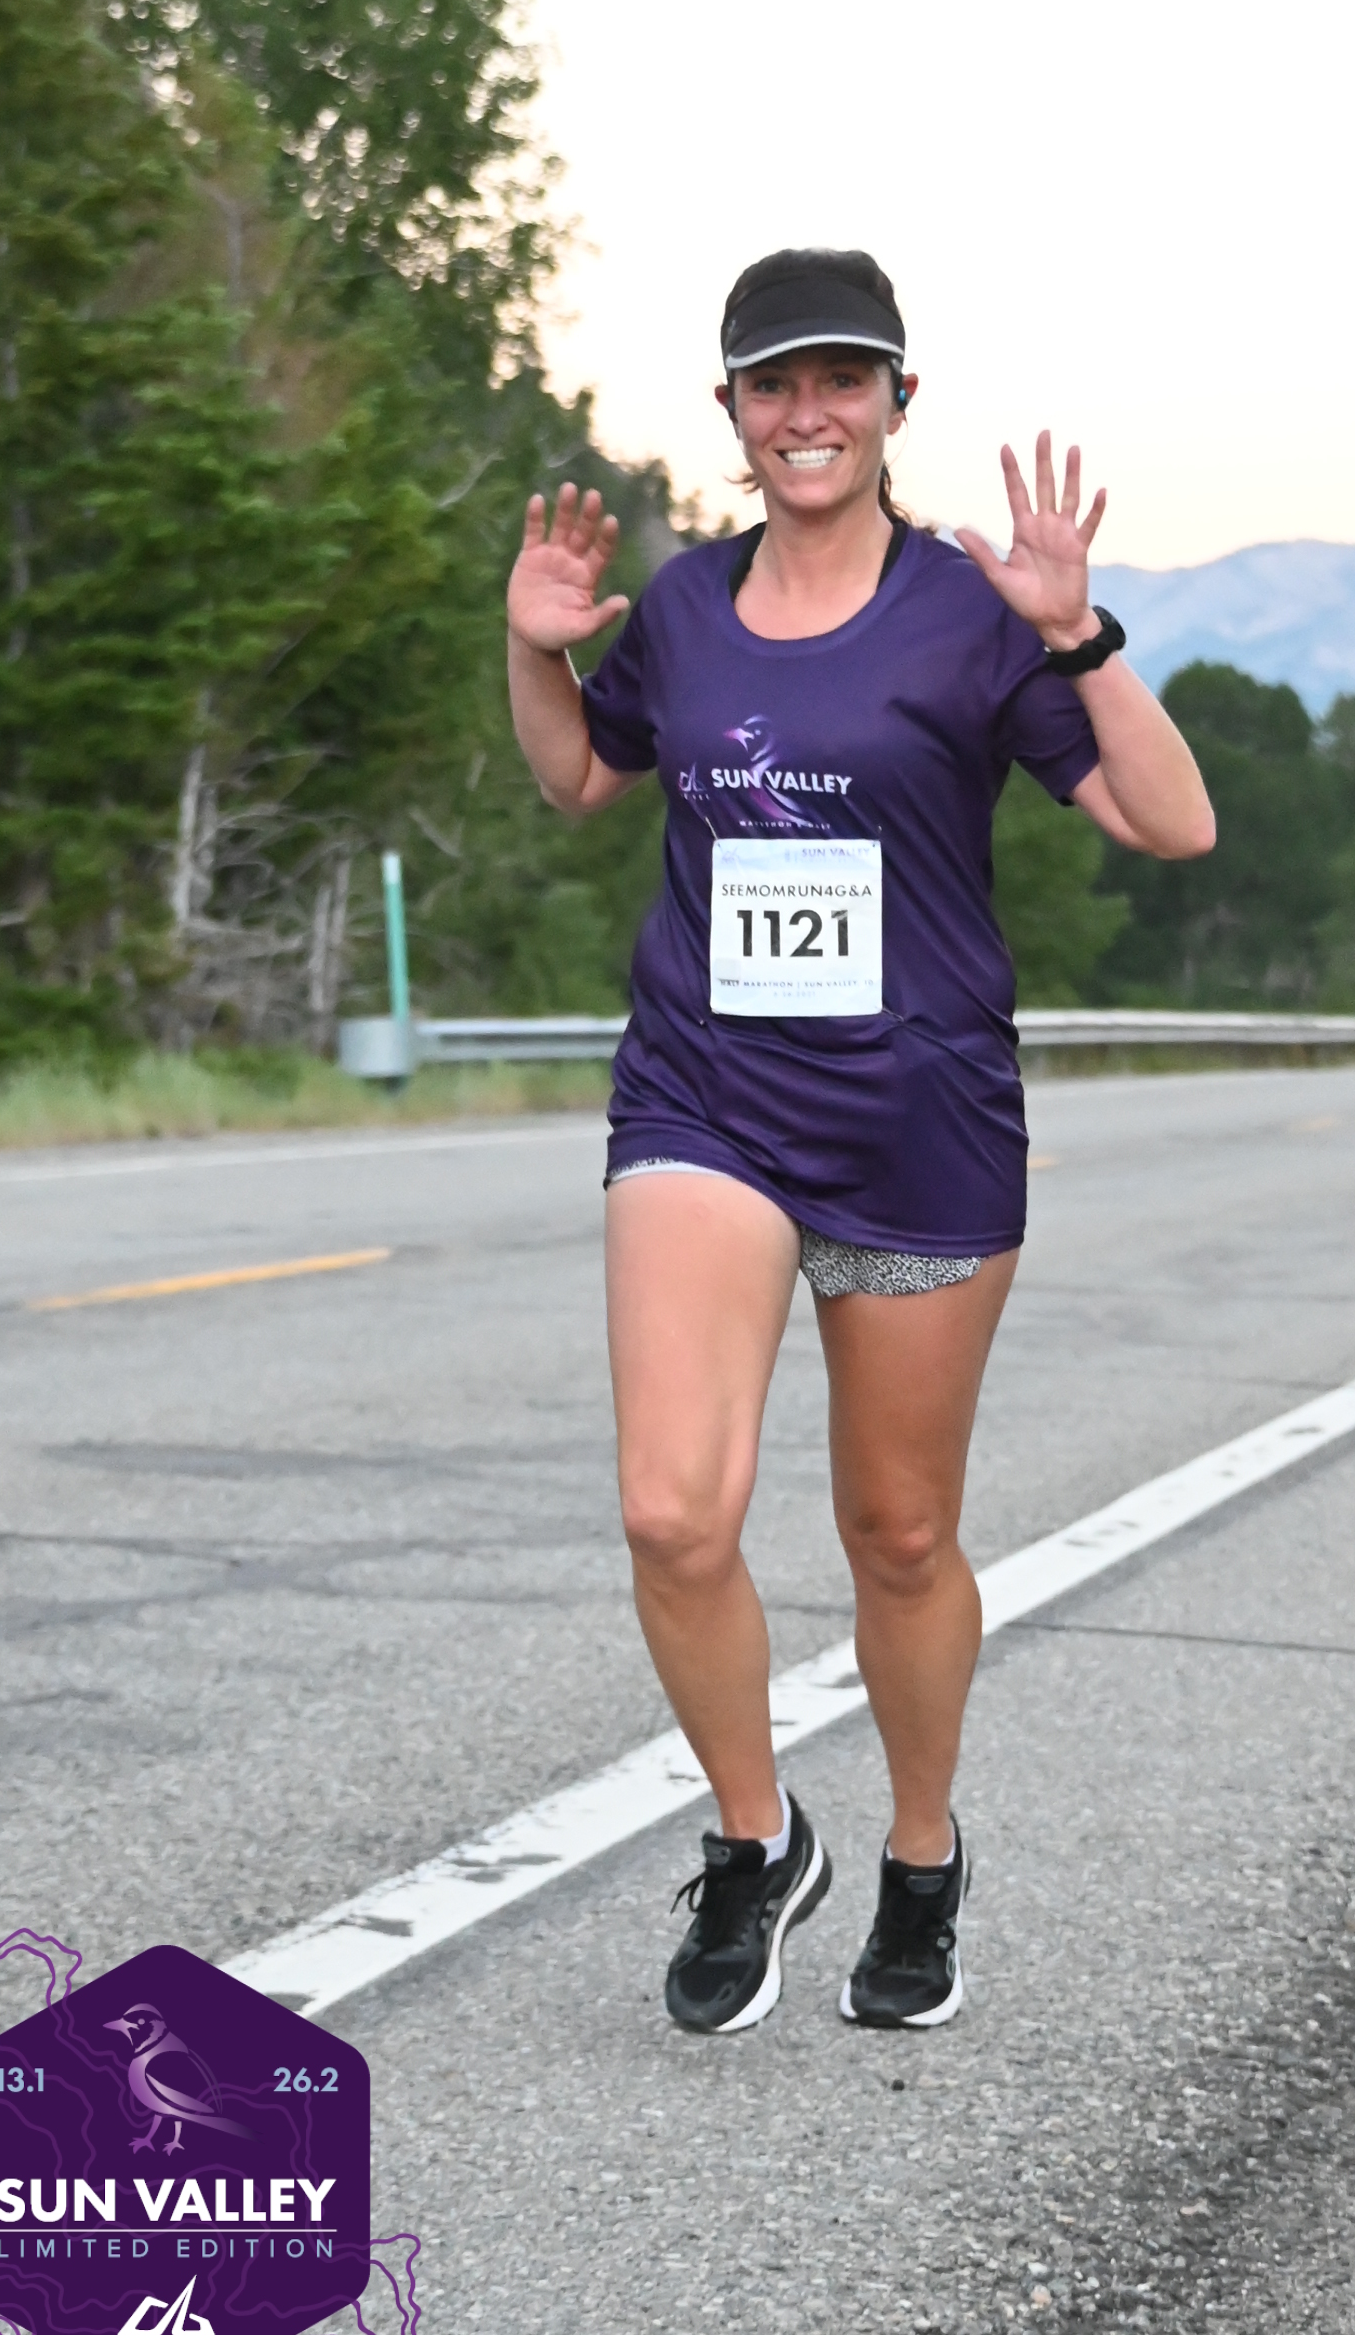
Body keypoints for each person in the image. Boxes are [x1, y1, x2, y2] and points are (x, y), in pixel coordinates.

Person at [505, 247, 1214, 2034]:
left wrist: (1079, 638)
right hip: (708, 1099)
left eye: (842, 380)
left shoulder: (972, 613)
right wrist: (534, 651)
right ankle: (757, 1841)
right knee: (672, 1511)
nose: (806, 413)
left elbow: (1171, 823)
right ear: (731, 412)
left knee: (898, 1532)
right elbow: (581, 777)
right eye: (773, 384)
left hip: (919, 1118)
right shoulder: (684, 608)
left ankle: (919, 1855)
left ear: (900, 401)